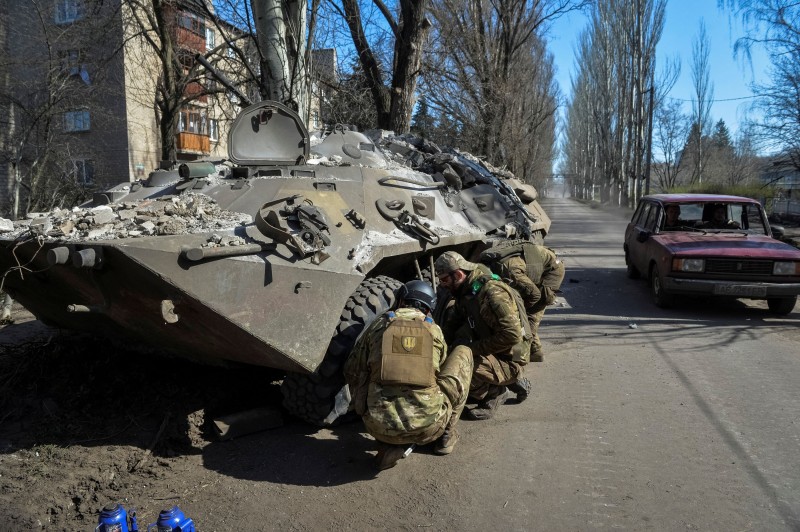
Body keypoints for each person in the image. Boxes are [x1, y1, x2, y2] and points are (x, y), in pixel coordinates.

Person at [344, 280, 473, 471]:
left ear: (401, 301)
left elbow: (352, 369)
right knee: (464, 352)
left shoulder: (380, 324)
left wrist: (363, 403)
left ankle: (388, 443)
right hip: (428, 429)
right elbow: (440, 369)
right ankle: (446, 435)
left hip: (376, 426)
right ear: (429, 308)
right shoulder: (434, 330)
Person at [434, 251, 532, 420]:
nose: (442, 285)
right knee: (452, 354)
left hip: (512, 357)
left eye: (444, 280)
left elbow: (512, 336)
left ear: (458, 274)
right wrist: (438, 348)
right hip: (497, 351)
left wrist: (470, 350)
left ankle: (496, 392)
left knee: (460, 366)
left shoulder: (492, 293)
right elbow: (452, 324)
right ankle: (504, 381)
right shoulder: (467, 290)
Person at [480, 241, 565, 362]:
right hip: (528, 268)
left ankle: (521, 356)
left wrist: (520, 310)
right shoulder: (484, 266)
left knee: (529, 316)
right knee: (520, 312)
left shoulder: (511, 271)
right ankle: (534, 350)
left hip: (552, 269)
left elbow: (535, 295)